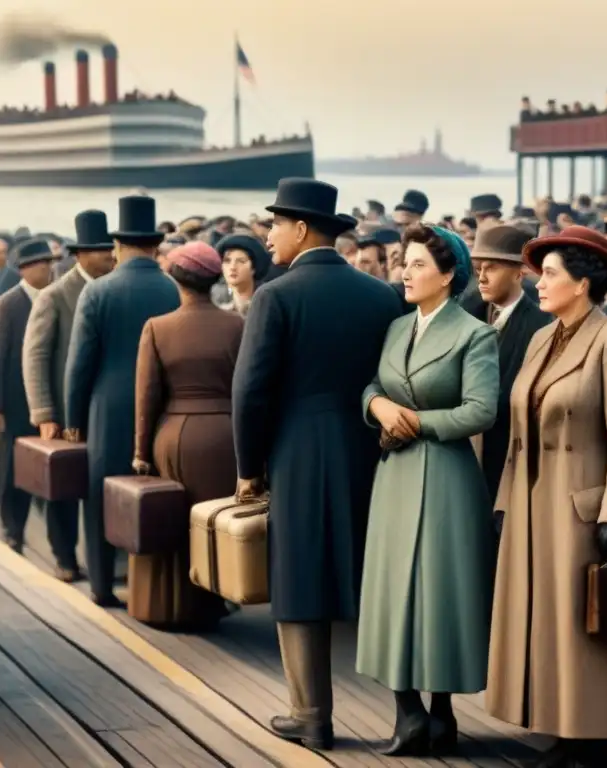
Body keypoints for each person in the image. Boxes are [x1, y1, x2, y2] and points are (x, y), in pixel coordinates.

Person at [232, 178, 403, 750]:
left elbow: (251, 391)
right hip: (368, 447)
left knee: (299, 576)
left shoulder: (274, 296)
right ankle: (407, 712)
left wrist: (249, 466)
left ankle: (311, 714)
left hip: (298, 452)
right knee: (374, 577)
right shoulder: (381, 296)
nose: (269, 235)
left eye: (276, 224)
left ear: (301, 228)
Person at [486, 226, 607, 767]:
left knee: (581, 627)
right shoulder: (543, 338)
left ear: (583, 284)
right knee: (546, 621)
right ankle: (558, 727)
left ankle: (590, 736)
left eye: (551, 276)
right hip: (530, 502)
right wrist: (503, 501)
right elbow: (518, 431)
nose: (538, 284)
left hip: (580, 506)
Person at [356, 225, 499, 756]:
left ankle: (439, 712)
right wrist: (377, 407)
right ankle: (408, 710)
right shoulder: (396, 327)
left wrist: (414, 421)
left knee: (441, 594)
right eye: (403, 263)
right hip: (394, 475)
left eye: (417, 264)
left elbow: (481, 410)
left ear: (447, 275)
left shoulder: (474, 334)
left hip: (445, 476)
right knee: (394, 590)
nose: (405, 273)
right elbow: (373, 385)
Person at [64, 196, 180, 607]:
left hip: (106, 407)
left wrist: (72, 420)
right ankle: (149, 582)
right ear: (154, 245)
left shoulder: (97, 291)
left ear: (119, 246)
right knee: (154, 492)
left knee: (101, 494)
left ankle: (100, 584)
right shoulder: (173, 289)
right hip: (162, 407)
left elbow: (79, 365)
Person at [131, 242, 243, 628]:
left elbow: (146, 397)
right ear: (213, 280)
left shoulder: (157, 327)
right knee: (214, 524)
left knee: (172, 522)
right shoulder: (237, 325)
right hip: (225, 437)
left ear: (175, 279)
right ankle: (212, 602)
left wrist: (140, 451)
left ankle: (168, 605)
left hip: (174, 434)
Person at [23, 210, 115, 582]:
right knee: (62, 490)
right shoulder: (54, 295)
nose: (110, 254)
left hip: (101, 408)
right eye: (100, 249)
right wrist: (44, 412)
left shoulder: (113, 286)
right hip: (62, 409)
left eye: (111, 247)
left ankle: (103, 558)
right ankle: (64, 557)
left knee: (100, 484)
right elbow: (35, 355)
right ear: (80, 255)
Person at [0, 239, 58, 554]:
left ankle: (58, 545)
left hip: (49, 399)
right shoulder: (7, 304)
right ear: (24, 269)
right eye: (41, 263)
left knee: (51, 471)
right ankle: (13, 530)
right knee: (12, 471)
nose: (48, 268)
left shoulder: (56, 298)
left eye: (49, 262)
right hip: (14, 402)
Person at [465, 224, 551, 505]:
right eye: (479, 268)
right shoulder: (468, 312)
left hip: (511, 459)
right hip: (467, 458)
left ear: (519, 271)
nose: (482, 277)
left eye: (492, 268)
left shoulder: (541, 324)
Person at [215, 234, 271, 317]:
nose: (232, 267)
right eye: (227, 261)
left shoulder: (268, 299)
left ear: (254, 268)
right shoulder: (215, 299)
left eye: (241, 261)